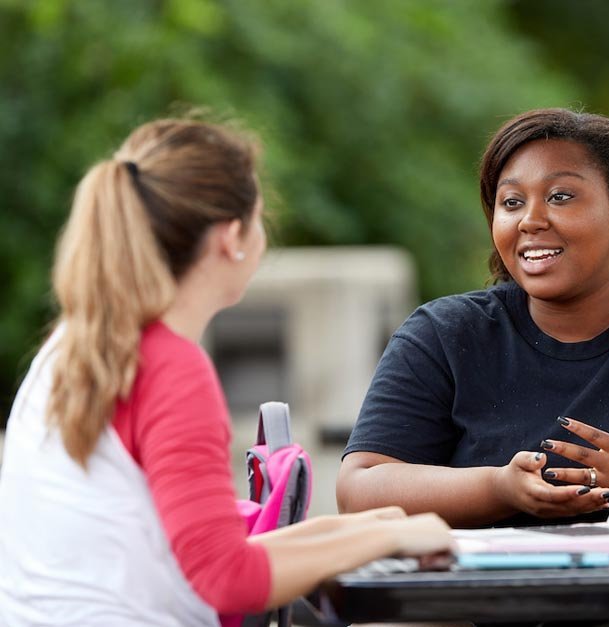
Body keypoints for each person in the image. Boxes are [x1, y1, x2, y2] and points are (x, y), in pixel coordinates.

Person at [0, 118, 452, 626]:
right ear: (232, 237)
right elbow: (228, 577)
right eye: (260, 217)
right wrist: (388, 538)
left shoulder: (72, 347)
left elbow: (196, 547)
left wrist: (362, 530)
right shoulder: (169, 368)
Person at [337, 107, 609, 529]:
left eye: (560, 196)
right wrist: (498, 488)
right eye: (511, 202)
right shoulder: (446, 335)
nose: (530, 220)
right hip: (487, 601)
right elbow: (360, 487)